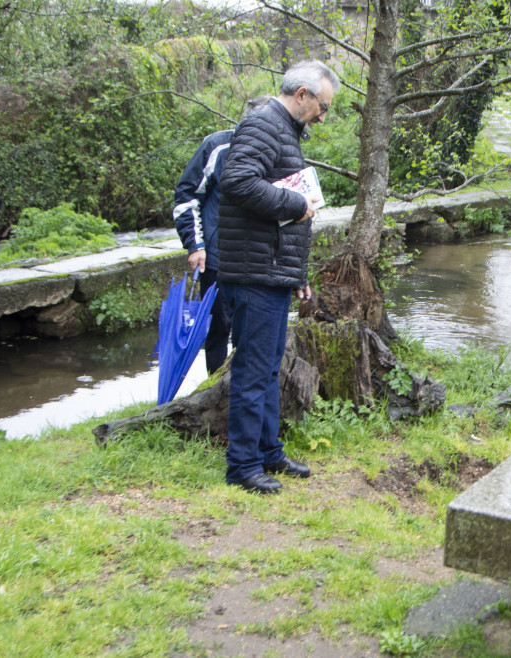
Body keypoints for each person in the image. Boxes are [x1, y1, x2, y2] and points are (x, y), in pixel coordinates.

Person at [217, 60, 339, 494]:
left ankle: (269, 453)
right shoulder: (263, 124)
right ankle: (243, 467)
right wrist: (293, 203)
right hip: (252, 274)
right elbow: (237, 182)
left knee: (269, 369)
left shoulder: (283, 129)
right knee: (253, 371)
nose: (323, 117)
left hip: (270, 272)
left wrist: (295, 274)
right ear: (301, 94)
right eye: (321, 107)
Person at [173, 128, 234, 375]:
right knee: (219, 326)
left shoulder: (279, 145)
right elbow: (187, 196)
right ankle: (216, 383)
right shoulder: (217, 146)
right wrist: (195, 245)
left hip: (255, 257)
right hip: (216, 255)